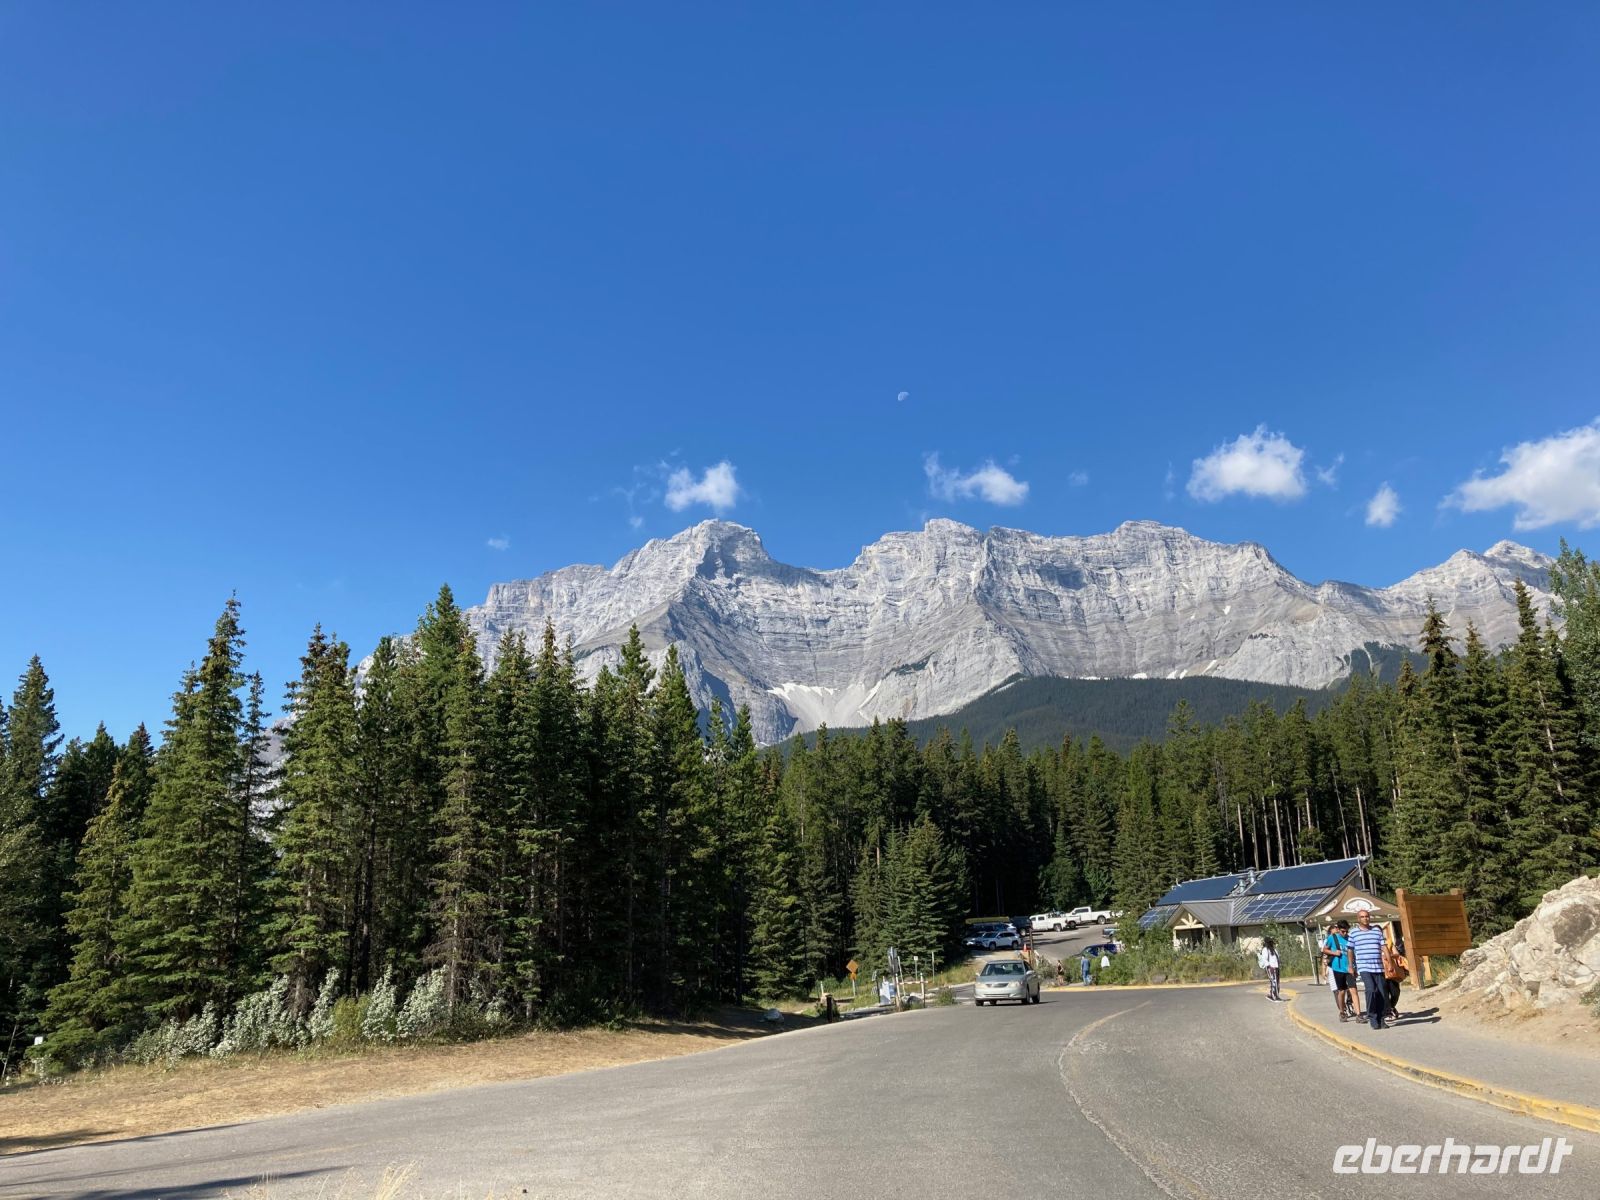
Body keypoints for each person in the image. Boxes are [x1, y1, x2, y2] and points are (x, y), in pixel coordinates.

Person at [1348, 908, 1389, 1031]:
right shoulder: (1353, 933)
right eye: (1362, 917)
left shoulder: (1376, 931)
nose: (1365, 918)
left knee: (1381, 992)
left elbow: (1384, 947)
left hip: (1378, 966)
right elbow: (1350, 950)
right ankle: (1372, 1017)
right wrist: (1351, 965)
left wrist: (1390, 962)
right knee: (1371, 990)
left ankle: (1381, 1019)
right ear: (1358, 919)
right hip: (1364, 966)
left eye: (1367, 916)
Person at [1323, 920, 1360, 1022]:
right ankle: (1342, 1012)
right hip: (1338, 967)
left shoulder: (1350, 938)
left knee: (1353, 990)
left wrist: (1354, 967)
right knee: (1342, 991)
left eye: (1346, 931)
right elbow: (1324, 950)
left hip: (1349, 968)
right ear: (1338, 929)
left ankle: (1359, 1014)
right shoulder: (1332, 938)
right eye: (1343, 931)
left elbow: (1353, 954)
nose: (1345, 933)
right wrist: (1334, 952)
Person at [1384, 926, 1409, 1022]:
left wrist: (1388, 955)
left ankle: (1391, 1006)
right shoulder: (1371, 945)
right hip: (1380, 971)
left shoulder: (1388, 942)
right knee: (1384, 993)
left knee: (1395, 992)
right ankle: (1387, 1011)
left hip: (1392, 970)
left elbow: (1397, 953)